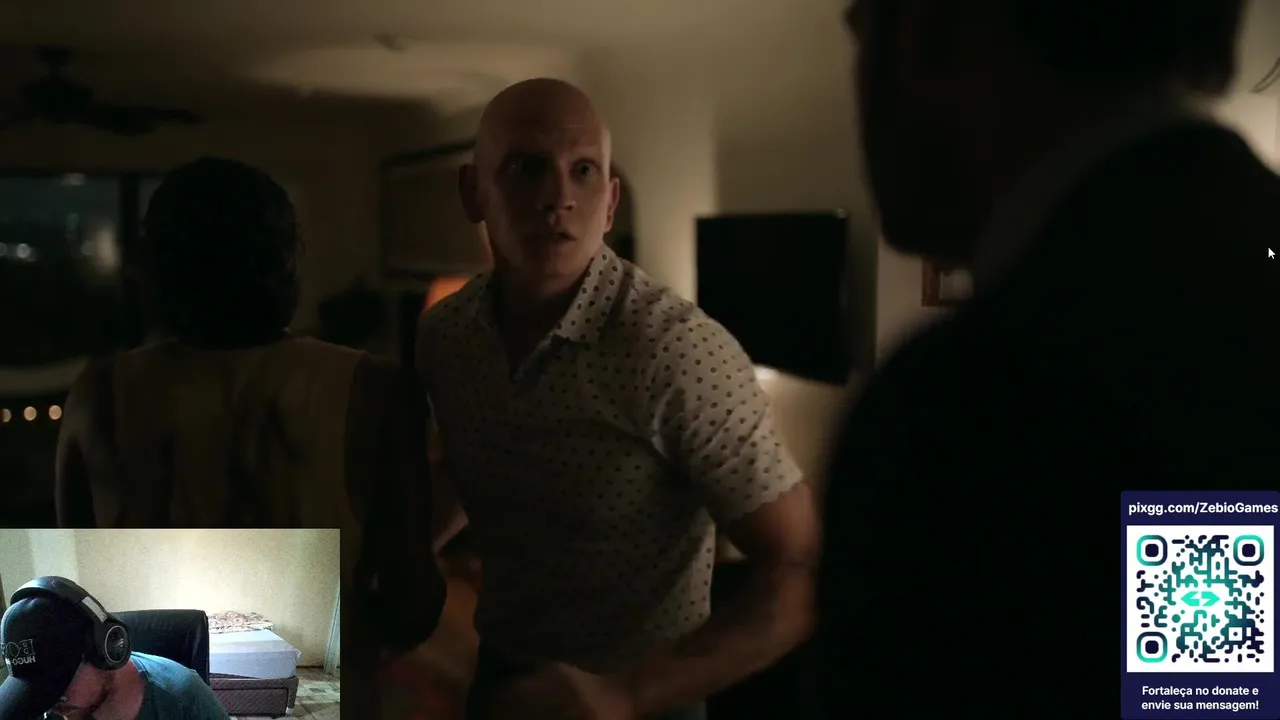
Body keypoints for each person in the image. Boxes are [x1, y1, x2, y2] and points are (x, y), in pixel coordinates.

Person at [820, 0, 1278, 715]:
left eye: (860, 26)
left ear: (930, 29)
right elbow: (1205, 685)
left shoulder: (986, 402)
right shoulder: (1227, 283)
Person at [417, 78, 820, 720]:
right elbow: (474, 461)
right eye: (528, 168)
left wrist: (628, 697)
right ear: (474, 192)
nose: (559, 197)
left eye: (583, 171)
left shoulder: (675, 349)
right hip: (501, 671)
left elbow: (800, 567)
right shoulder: (447, 334)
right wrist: (390, 564)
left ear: (609, 203)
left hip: (642, 698)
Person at [52, 157, 447, 717]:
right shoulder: (373, 389)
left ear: (154, 270)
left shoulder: (99, 394)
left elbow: (79, 590)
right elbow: (413, 605)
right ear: (286, 260)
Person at [0, 576, 228, 720]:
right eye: (36, 694)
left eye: (59, 690)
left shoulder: (184, 698)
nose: (50, 708)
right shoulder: (50, 707)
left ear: (106, 651)